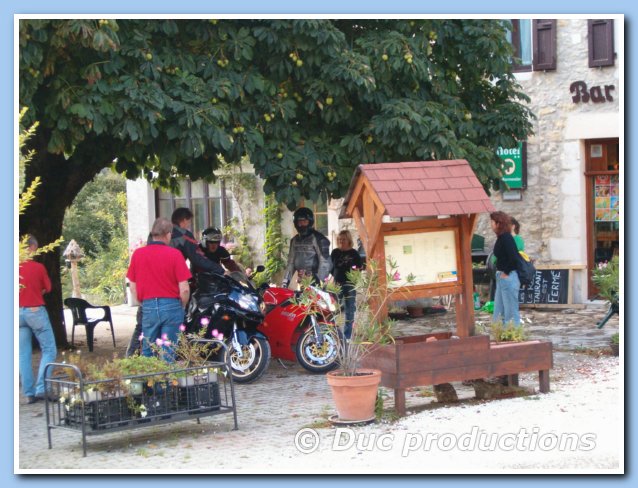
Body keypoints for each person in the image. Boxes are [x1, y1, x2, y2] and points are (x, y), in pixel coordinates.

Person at [127, 218, 192, 361]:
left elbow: (132, 286)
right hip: (171, 306)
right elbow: (185, 289)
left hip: (148, 305)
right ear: (168, 234)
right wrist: (182, 305)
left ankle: (149, 381)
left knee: (148, 349)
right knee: (168, 350)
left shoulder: (138, 254)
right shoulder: (175, 254)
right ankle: (165, 383)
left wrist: (142, 303)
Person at [19, 235, 58, 404]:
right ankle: (42, 387)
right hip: (35, 311)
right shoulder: (38, 267)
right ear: (33, 247)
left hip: (16, 314)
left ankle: (29, 393)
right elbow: (47, 288)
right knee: (49, 349)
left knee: (23, 354)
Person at [281, 207, 331, 289]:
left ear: (310, 222)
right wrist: (285, 282)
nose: (301, 224)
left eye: (304, 222)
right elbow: (291, 263)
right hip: (301, 280)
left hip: (316, 281)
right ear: (296, 223)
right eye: (299, 222)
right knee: (300, 301)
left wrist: (319, 283)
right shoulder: (294, 240)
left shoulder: (319, 239)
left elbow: (325, 263)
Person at [170, 208, 224, 277]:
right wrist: (219, 269)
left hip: (153, 275)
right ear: (184, 220)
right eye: (189, 221)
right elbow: (197, 259)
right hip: (171, 276)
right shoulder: (185, 236)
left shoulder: (159, 233)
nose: (189, 225)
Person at [489, 211, 521, 327]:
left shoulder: (506, 238)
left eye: (492, 222)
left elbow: (514, 257)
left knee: (511, 311)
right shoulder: (501, 237)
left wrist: (506, 272)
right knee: (499, 310)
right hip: (501, 276)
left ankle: (514, 334)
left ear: (499, 223)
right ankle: (501, 332)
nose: (491, 225)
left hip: (508, 276)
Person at [330, 230, 363, 339]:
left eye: (343, 239)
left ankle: (347, 336)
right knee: (334, 310)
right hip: (336, 284)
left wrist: (353, 279)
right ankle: (335, 335)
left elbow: (359, 268)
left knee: (349, 310)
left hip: (349, 285)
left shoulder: (354, 253)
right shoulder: (335, 252)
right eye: (339, 239)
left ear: (348, 240)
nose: (341, 241)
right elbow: (330, 268)